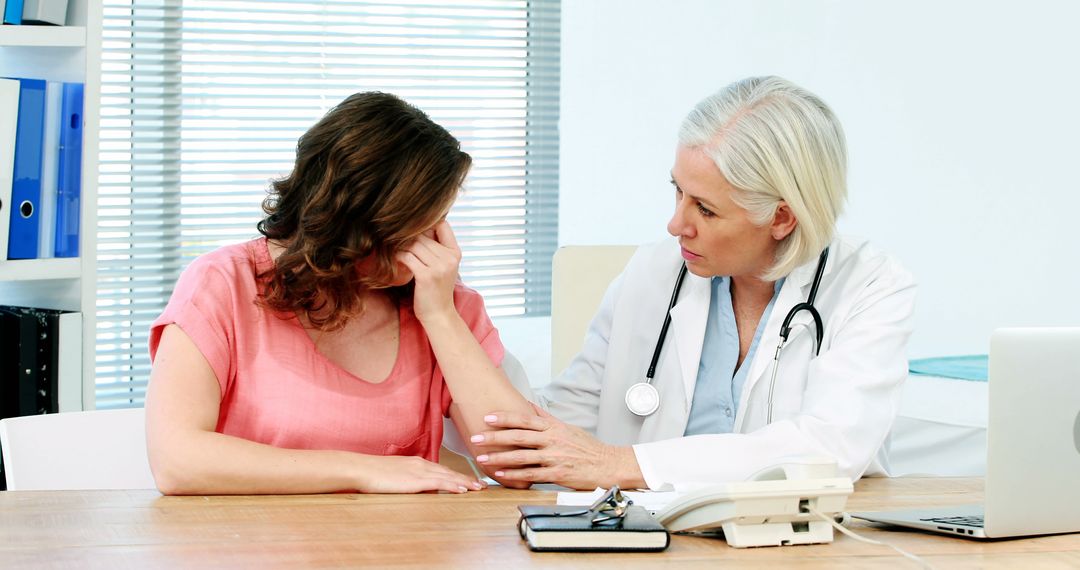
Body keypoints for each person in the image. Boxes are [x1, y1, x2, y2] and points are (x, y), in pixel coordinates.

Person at [469, 76, 917, 490]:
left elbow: (829, 448)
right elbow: (558, 423)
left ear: (781, 217)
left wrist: (623, 464)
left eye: (705, 209)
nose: (675, 223)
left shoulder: (869, 285)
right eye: (677, 191)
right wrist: (457, 320)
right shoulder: (653, 272)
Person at [144, 92, 535, 495]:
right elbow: (177, 460)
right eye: (411, 224)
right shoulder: (222, 283)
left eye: (439, 218)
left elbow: (521, 467)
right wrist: (361, 470)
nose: (428, 242)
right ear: (349, 217)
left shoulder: (442, 302)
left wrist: (440, 316)